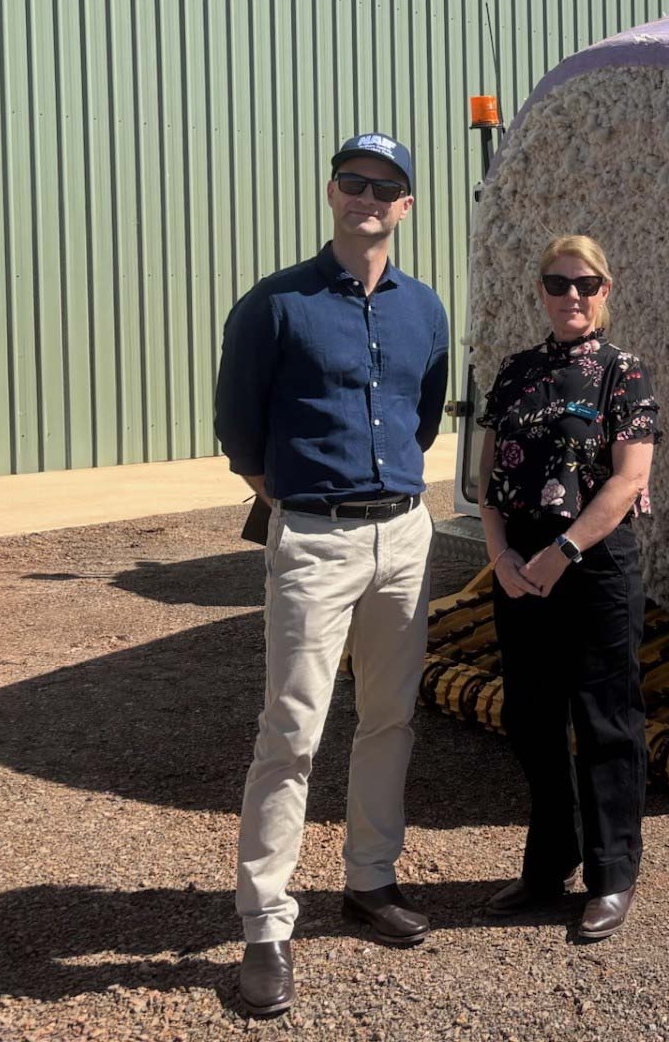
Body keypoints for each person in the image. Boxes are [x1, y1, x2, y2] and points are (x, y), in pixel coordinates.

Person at [213, 132, 450, 1018]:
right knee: (294, 730)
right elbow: (242, 430)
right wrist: (302, 502)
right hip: (316, 538)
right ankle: (266, 922)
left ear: (405, 207)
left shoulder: (425, 308)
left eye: (385, 187)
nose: (367, 197)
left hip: (405, 536)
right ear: (330, 192)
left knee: (390, 716)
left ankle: (370, 881)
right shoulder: (277, 304)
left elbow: (422, 416)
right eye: (353, 181)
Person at [476, 234, 658, 941]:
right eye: (557, 284)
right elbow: (488, 479)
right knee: (532, 718)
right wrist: (500, 557)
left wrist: (562, 549)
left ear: (605, 291)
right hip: (521, 570)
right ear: (542, 291)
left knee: (606, 719)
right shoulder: (516, 372)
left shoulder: (624, 374)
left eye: (585, 284)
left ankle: (613, 875)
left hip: (594, 567)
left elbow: (628, 478)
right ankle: (548, 864)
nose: (571, 297)